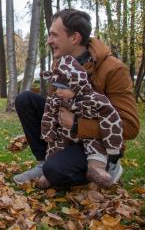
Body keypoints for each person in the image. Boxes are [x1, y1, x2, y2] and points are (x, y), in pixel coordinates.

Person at [14, 9, 140, 188]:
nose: (49, 40)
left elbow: (130, 126)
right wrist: (44, 127)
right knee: (25, 100)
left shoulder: (113, 69)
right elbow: (56, 102)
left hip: (99, 144)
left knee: (55, 171)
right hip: (67, 136)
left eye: (54, 35)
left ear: (74, 38)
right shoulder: (60, 63)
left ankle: (108, 165)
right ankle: (44, 163)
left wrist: (76, 124)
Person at [38, 55, 123, 189]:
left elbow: (111, 120)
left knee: (95, 146)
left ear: (76, 85)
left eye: (62, 87)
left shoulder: (95, 100)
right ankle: (47, 173)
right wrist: (48, 132)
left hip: (89, 136)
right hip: (66, 135)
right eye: (56, 87)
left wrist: (113, 147)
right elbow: (48, 115)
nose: (58, 91)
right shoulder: (56, 98)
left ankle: (98, 169)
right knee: (55, 144)